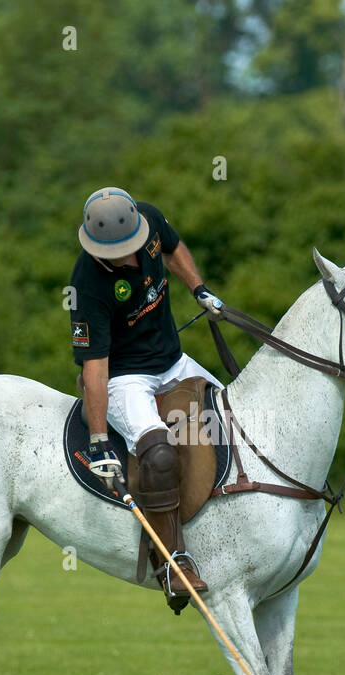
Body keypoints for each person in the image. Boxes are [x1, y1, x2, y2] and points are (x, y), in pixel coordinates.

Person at [69, 186, 225, 603]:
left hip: (174, 361)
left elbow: (173, 251)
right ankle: (173, 561)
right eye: (120, 252)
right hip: (124, 378)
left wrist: (199, 288)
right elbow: (95, 369)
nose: (131, 257)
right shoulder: (87, 285)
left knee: (234, 419)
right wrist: (100, 440)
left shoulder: (150, 219)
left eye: (134, 246)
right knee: (159, 453)